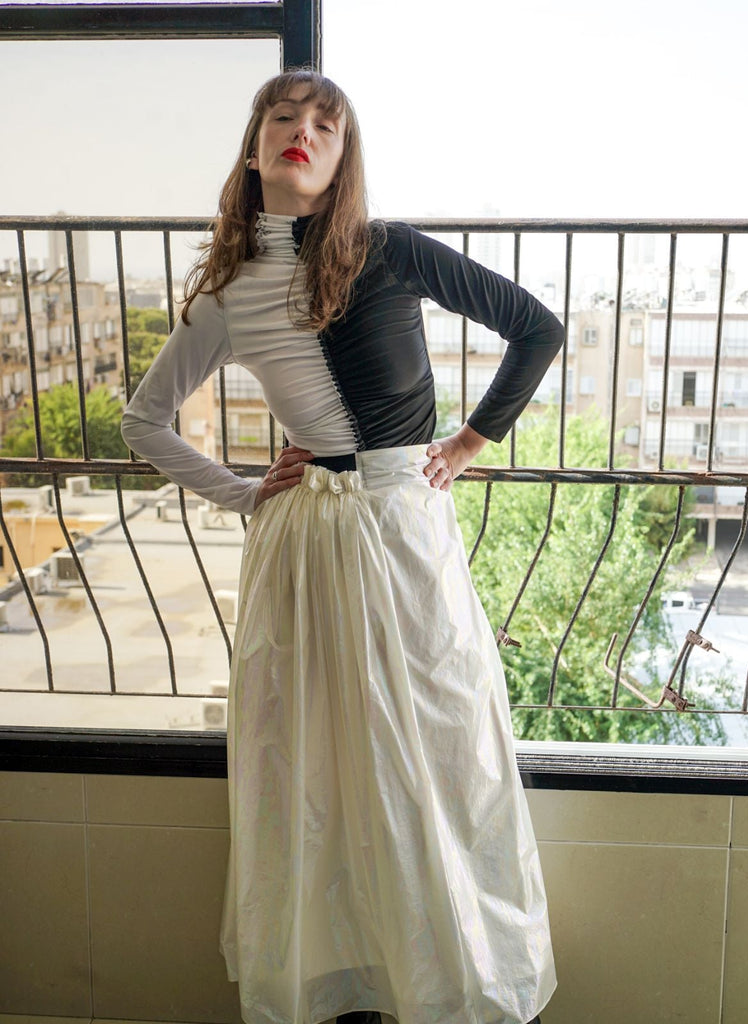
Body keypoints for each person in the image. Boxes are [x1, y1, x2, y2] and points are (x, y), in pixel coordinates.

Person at [122, 68, 562, 1024]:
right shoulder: (227, 291)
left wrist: (468, 443)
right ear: (254, 150)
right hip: (302, 544)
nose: (303, 132)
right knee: (307, 767)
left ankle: (453, 986)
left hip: (403, 528)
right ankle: (341, 988)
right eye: (284, 118)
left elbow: (537, 328)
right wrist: (245, 494)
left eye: (326, 125)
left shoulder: (389, 250)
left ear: (344, 156)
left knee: (439, 753)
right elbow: (143, 422)